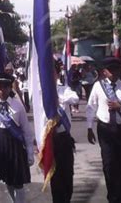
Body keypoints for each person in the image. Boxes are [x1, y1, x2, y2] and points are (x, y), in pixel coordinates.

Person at [86, 57, 121, 203]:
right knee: (109, 166)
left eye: (116, 69)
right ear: (105, 72)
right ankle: (112, 197)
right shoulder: (98, 87)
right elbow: (91, 107)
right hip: (105, 130)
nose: (113, 73)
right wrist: (89, 127)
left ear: (120, 70)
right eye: (110, 70)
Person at [0, 72, 34, 203]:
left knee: (18, 181)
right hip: (0, 145)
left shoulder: (18, 105)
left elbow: (26, 130)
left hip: (15, 144)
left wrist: (30, 152)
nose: (3, 90)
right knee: (7, 179)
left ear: (10, 87)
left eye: (6, 86)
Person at [51, 60, 79, 203]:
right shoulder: (42, 94)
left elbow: (75, 97)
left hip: (64, 138)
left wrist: (59, 99)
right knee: (54, 177)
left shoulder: (63, 89)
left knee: (67, 174)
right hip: (50, 139)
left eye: (53, 71)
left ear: (57, 73)